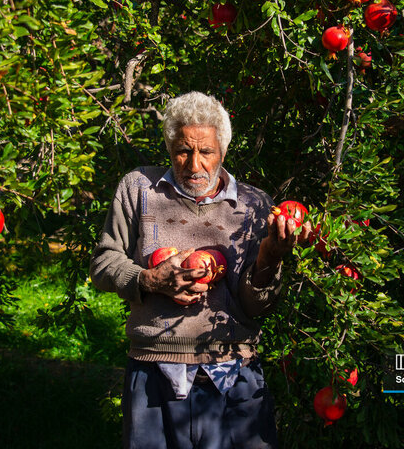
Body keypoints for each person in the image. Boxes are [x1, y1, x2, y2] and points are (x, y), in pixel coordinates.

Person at [90, 91, 309, 449]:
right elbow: (103, 263)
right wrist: (150, 279)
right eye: (182, 150)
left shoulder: (254, 205)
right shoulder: (138, 188)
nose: (194, 165)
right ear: (168, 147)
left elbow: (257, 307)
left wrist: (270, 257)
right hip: (153, 371)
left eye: (205, 152)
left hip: (233, 372)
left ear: (222, 152)